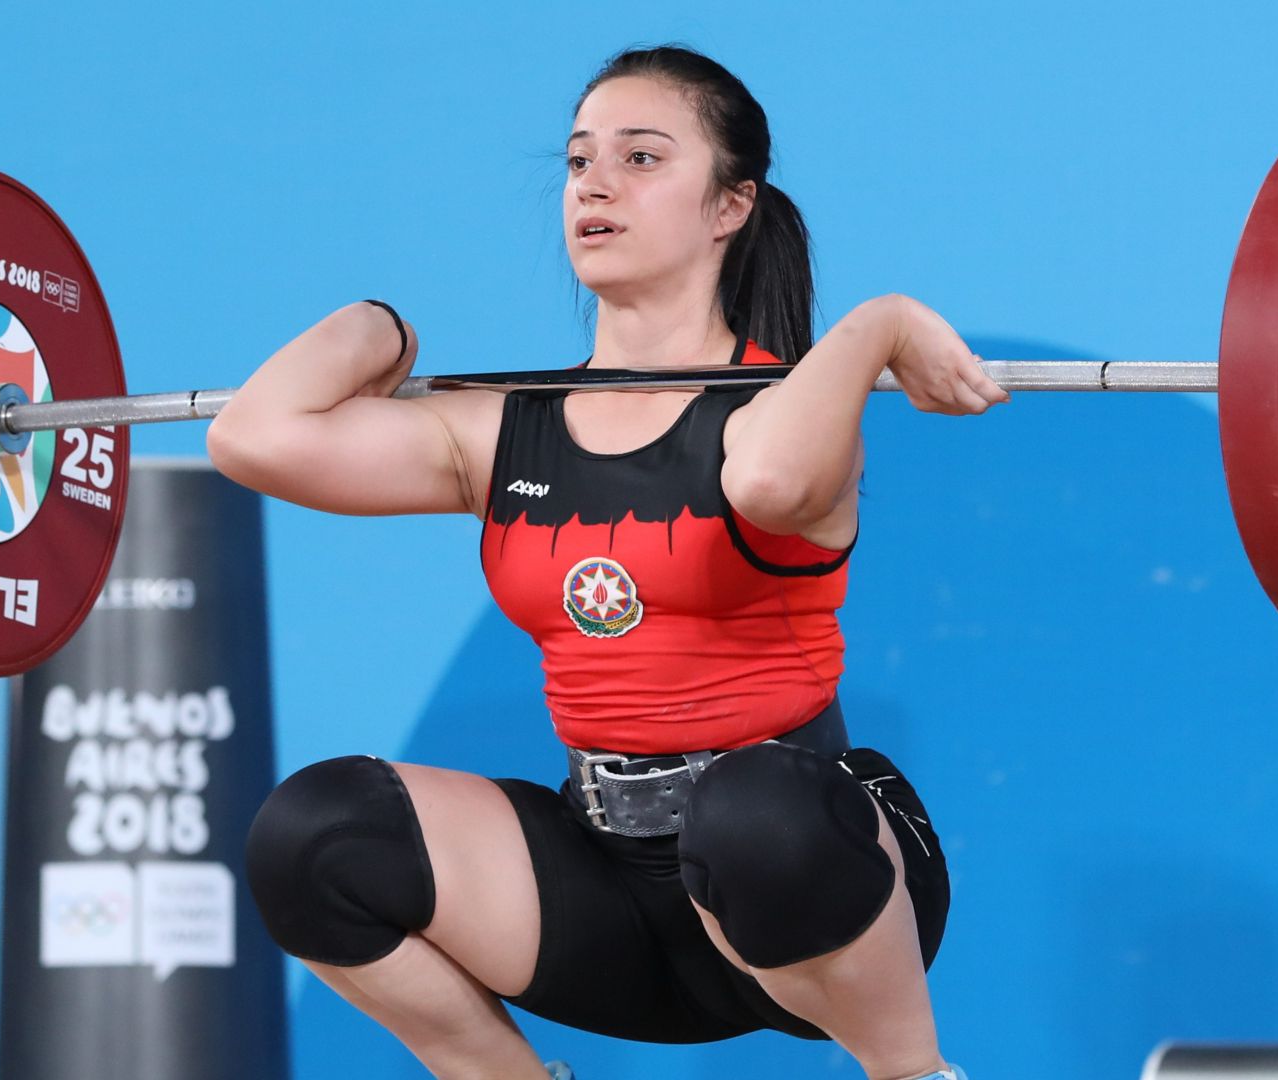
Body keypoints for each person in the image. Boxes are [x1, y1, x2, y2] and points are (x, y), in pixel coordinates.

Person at [207, 44, 1007, 1080]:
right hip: (605, 897)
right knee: (311, 834)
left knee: (752, 814)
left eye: (641, 158)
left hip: (811, 886)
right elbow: (251, 438)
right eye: (581, 160)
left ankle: (913, 1071)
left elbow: (763, 487)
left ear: (731, 207)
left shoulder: (789, 411)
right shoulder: (500, 431)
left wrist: (881, 325)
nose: (593, 181)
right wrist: (379, 329)